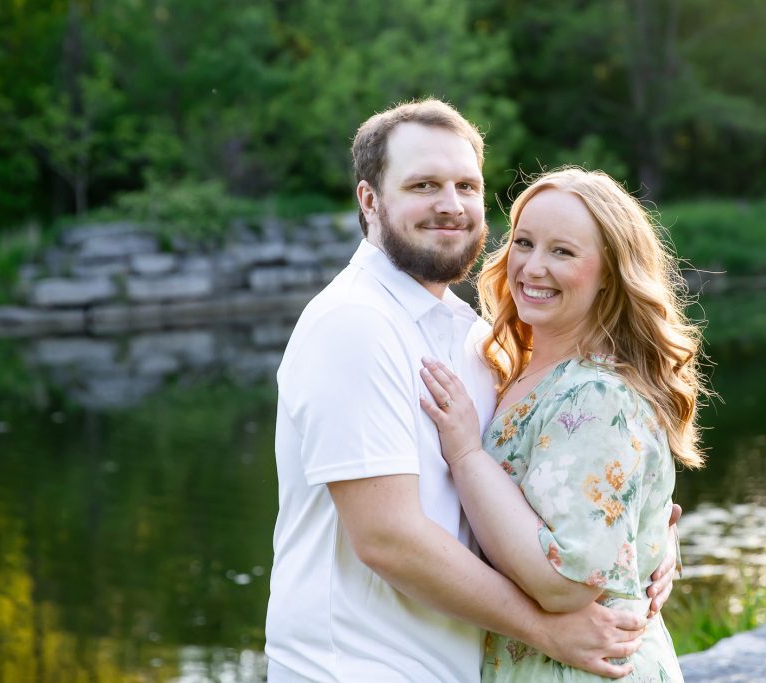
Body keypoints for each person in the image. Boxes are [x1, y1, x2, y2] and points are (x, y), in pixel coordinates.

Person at [265, 100, 682, 683]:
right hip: (362, 666)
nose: (451, 204)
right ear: (369, 200)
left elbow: (563, 479)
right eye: (424, 184)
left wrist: (645, 542)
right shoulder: (353, 323)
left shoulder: (473, 337)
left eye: (466, 185)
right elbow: (388, 540)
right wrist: (544, 629)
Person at [418, 167, 706, 681]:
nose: (531, 267)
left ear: (609, 276)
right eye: (524, 243)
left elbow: (565, 582)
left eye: (562, 252)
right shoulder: (515, 369)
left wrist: (465, 454)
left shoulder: (595, 394)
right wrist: (651, 543)